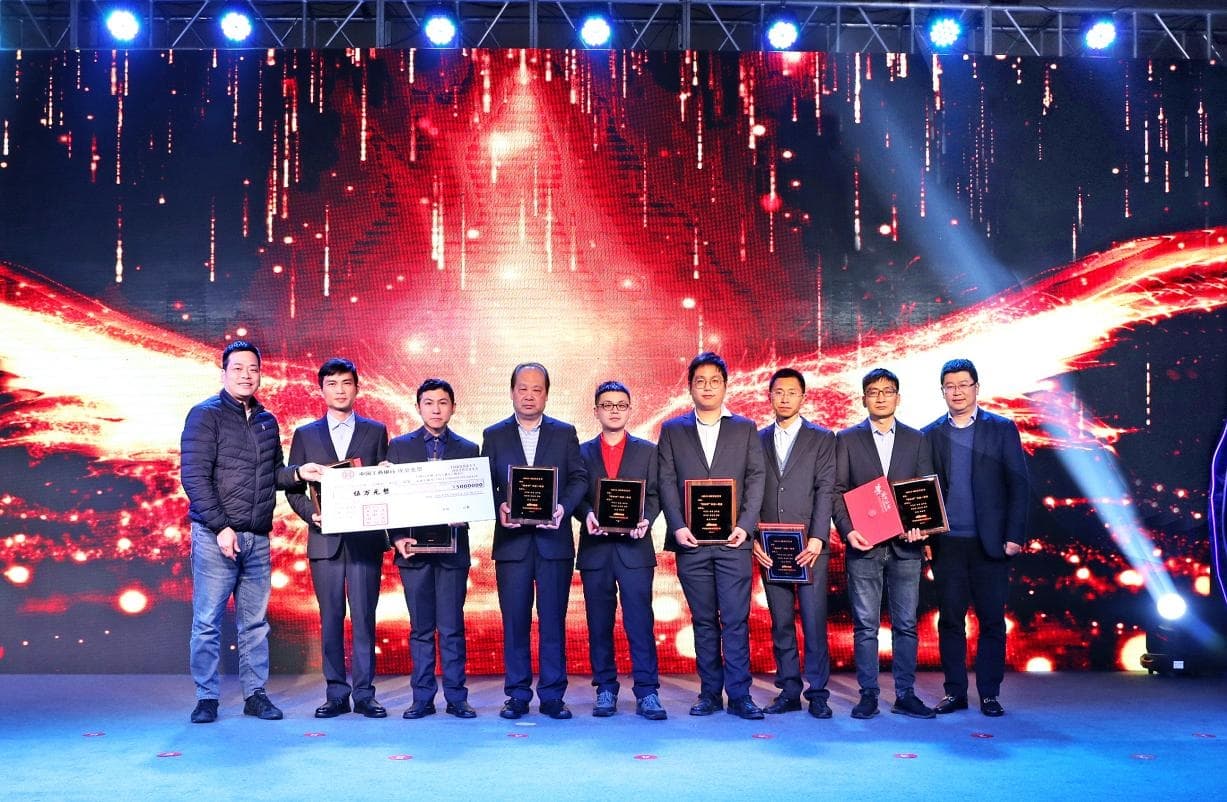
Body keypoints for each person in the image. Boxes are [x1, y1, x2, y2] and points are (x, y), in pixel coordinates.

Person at [180, 341, 323, 724]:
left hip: (257, 537)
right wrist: (221, 527)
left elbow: (273, 474)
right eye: (238, 368)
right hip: (216, 536)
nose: (246, 375)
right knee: (207, 622)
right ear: (224, 373)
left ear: (261, 374)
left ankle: (255, 695)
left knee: (255, 624)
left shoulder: (266, 420)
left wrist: (299, 473)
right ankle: (206, 698)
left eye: (253, 369)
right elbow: (194, 477)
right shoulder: (204, 415)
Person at [658, 352, 767, 720]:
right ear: (690, 387)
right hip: (691, 542)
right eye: (700, 381)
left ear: (725, 386)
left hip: (734, 542)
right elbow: (666, 482)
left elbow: (756, 479)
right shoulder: (673, 430)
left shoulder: (745, 428)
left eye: (714, 381)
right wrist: (677, 525)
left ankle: (740, 695)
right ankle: (708, 693)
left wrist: (745, 525)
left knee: (735, 620)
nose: (707, 387)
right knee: (703, 621)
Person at [482, 363, 589, 720]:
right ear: (512, 392)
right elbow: (485, 484)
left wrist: (562, 508)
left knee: (553, 621)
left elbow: (579, 479)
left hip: (553, 543)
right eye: (522, 389)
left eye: (537, 389)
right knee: (514, 622)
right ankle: (516, 695)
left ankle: (553, 695)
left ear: (546, 394)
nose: (529, 396)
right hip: (512, 545)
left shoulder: (564, 433)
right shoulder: (494, 435)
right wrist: (499, 504)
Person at [924, 358, 1030, 717]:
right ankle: (955, 692)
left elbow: (1019, 485)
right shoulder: (929, 434)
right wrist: (925, 536)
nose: (956, 392)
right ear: (942, 391)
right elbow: (921, 491)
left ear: (976, 388)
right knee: (950, 621)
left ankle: (989, 694)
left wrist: (1014, 535)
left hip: (992, 543)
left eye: (963, 385)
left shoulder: (1002, 429)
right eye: (949, 386)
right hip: (947, 543)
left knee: (992, 621)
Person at [286, 358, 390, 719]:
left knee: (364, 618)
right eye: (332, 384)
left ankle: (365, 694)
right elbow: (293, 488)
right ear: (321, 390)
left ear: (357, 388)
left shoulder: (376, 431)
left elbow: (385, 485)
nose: (340, 390)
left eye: (346, 383)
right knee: (330, 618)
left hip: (365, 541)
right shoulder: (305, 434)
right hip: (324, 540)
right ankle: (335, 693)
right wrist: (311, 515)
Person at [832, 368, 935, 720]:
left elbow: (924, 488)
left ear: (898, 397)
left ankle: (905, 694)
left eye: (887, 391)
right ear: (863, 399)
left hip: (907, 548)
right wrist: (848, 531)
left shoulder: (916, 439)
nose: (880, 397)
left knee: (906, 624)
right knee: (866, 626)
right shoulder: (846, 439)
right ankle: (869, 695)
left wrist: (922, 527)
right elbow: (837, 491)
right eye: (873, 392)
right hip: (864, 546)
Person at [387, 378, 480, 720]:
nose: (436, 409)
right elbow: (389, 499)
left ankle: (457, 697)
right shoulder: (399, 447)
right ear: (418, 407)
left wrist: (466, 512)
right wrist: (396, 537)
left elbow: (477, 497)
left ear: (453, 407)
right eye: (429, 403)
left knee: (452, 628)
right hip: (413, 552)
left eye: (443, 402)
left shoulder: (469, 449)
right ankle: (422, 698)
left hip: (452, 552)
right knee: (421, 629)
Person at [573, 381, 666, 720]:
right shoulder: (580, 452)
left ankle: (648, 691)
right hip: (596, 549)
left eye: (621, 405)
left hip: (635, 549)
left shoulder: (649, 451)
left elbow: (655, 495)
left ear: (630, 410)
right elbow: (576, 495)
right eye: (607, 405)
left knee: (640, 622)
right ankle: (606, 688)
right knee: (599, 624)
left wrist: (646, 519)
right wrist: (587, 514)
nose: (614, 410)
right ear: (596, 411)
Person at [750, 368, 836, 719]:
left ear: (803, 397)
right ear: (769, 396)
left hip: (810, 547)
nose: (784, 398)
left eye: (791, 392)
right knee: (781, 622)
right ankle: (788, 690)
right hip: (771, 546)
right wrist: (754, 537)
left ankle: (818, 693)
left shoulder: (822, 438)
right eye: (778, 392)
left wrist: (817, 537)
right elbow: (749, 489)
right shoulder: (756, 439)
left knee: (814, 622)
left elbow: (826, 489)